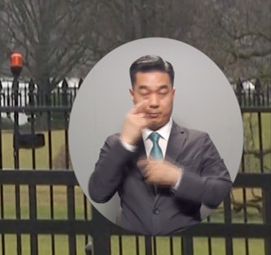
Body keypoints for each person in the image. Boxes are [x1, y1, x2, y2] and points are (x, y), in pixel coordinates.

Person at [86, 55, 233, 235]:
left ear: (172, 94)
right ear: (132, 95)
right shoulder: (115, 144)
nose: (154, 103)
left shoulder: (199, 142)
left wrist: (178, 178)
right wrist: (126, 143)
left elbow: (221, 191)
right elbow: (98, 193)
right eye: (145, 94)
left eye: (162, 93)